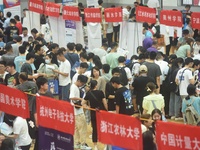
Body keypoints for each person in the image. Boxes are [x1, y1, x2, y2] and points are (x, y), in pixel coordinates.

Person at [83, 80, 108, 149]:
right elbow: (105, 103)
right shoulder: (100, 92)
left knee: (94, 129)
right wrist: (107, 110)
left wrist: (88, 107)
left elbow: (83, 103)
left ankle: (95, 146)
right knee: (103, 128)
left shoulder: (88, 93)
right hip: (101, 113)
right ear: (96, 85)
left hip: (93, 112)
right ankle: (105, 146)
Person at [69, 75, 90, 149]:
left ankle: (77, 143)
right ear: (79, 81)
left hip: (75, 110)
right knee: (82, 128)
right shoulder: (74, 87)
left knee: (77, 128)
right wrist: (81, 99)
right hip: (78, 111)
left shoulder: (75, 87)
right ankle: (83, 144)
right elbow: (71, 97)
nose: (82, 85)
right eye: (82, 83)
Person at [16, 72, 38, 140]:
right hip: (33, 108)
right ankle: (33, 138)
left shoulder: (19, 87)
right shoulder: (34, 84)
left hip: (24, 109)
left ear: (20, 79)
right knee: (32, 123)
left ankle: (28, 138)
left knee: (26, 124)